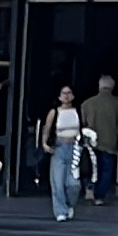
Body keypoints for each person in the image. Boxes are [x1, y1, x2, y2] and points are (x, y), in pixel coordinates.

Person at [39, 84, 89, 222]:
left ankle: (70, 204)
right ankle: (60, 211)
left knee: (73, 183)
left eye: (69, 93)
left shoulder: (78, 111)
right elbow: (47, 129)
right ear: (59, 96)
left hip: (75, 147)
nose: (66, 96)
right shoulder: (54, 112)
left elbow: (84, 127)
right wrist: (44, 143)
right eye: (63, 93)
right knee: (58, 181)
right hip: (59, 147)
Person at [80, 72, 118, 204]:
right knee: (106, 170)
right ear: (112, 87)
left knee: (88, 166)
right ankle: (99, 196)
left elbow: (82, 123)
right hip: (109, 143)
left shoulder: (87, 103)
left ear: (99, 86)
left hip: (90, 142)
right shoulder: (117, 105)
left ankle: (89, 186)